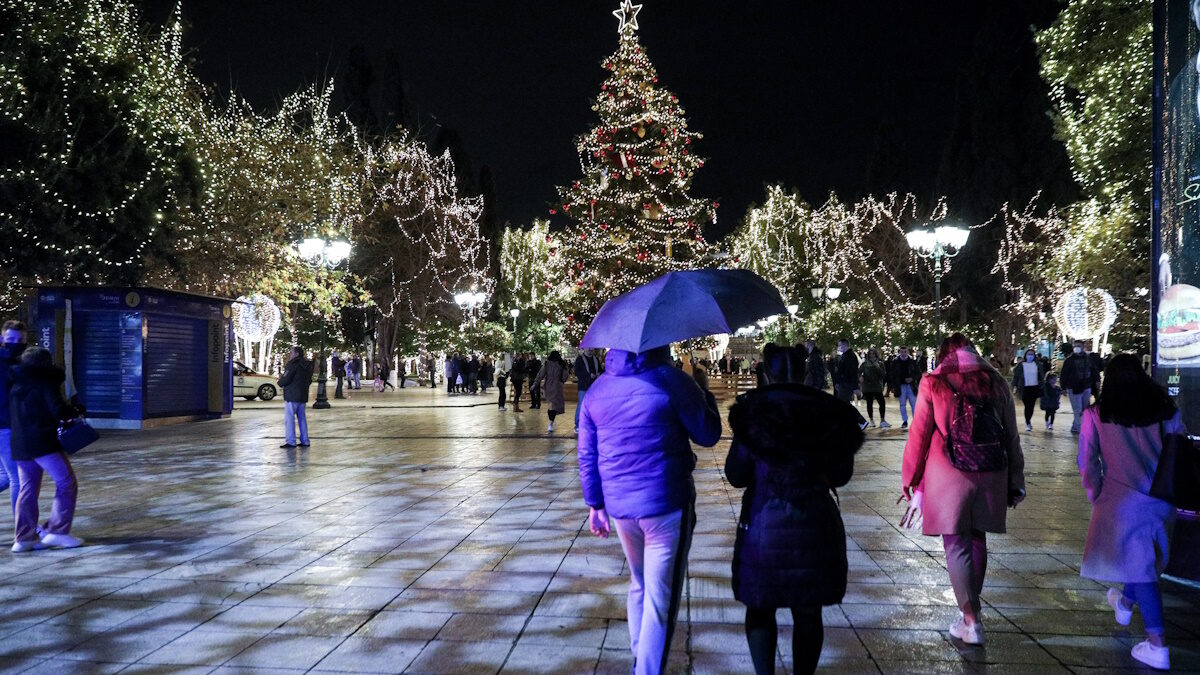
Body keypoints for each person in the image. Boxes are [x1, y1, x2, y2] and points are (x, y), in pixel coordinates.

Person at [578, 346, 722, 675]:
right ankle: (646, 669)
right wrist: (703, 391)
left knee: (640, 583)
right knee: (660, 598)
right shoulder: (672, 380)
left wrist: (595, 504)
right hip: (665, 502)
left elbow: (586, 454)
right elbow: (708, 433)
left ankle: (639, 658)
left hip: (620, 506)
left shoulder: (598, 389)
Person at [725, 344, 865, 675]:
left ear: (767, 374)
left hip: (764, 527)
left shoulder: (753, 414)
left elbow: (736, 474)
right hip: (815, 524)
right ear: (804, 373)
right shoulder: (827, 413)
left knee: (761, 607)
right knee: (808, 611)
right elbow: (841, 474)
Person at [900, 333, 1025, 646]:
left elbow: (920, 434)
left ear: (944, 354)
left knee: (956, 544)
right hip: (992, 470)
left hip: (949, 472)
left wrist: (911, 479)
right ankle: (969, 615)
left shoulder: (935, 381)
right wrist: (1016, 480)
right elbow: (1011, 435)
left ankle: (971, 620)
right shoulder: (996, 381)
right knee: (977, 539)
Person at [1077, 354, 1186, 671]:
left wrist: (1097, 494)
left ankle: (1157, 644)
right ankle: (1124, 604)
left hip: (1121, 502)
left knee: (1143, 570)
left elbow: (1087, 462)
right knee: (1144, 561)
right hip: (1162, 500)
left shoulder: (1097, 414)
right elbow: (1179, 449)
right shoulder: (1166, 411)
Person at [9, 347, 85, 551]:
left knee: (27, 488)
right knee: (66, 483)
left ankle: (24, 538)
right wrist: (75, 411)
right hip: (42, 443)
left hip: (20, 444)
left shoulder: (16, 383)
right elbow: (58, 410)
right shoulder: (45, 382)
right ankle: (58, 532)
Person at [0, 320, 26, 514]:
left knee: (5, 477)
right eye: (11, 339)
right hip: (4, 426)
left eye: (20, 340)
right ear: (2, 338)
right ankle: (23, 526)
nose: (15, 343)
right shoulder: (6, 364)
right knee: (17, 478)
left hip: (7, 425)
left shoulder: (15, 363)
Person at [277, 347, 313, 449]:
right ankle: (305, 440)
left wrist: (280, 382)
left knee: (289, 418)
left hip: (292, 395)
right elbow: (309, 380)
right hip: (303, 394)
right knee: (302, 418)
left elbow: (286, 378)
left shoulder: (293, 364)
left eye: (291, 352)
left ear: (297, 354)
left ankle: (291, 441)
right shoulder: (307, 365)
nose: (290, 354)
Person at [1061, 340, 1094, 434]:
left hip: (1086, 386)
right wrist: (1063, 387)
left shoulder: (1088, 359)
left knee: (1085, 409)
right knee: (1077, 409)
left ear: (1083, 347)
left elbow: (1093, 371)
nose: (1076, 348)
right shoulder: (1069, 360)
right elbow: (1064, 374)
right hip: (1074, 387)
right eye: (1075, 346)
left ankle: (1075, 426)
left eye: (1078, 346)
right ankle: (1081, 428)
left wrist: (1095, 382)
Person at [533, 351, 570, 433]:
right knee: (555, 405)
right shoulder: (561, 364)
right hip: (558, 387)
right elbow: (564, 377)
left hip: (548, 387)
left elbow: (540, 374)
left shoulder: (547, 363)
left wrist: (535, 384)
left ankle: (551, 422)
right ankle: (551, 422)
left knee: (551, 405)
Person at [1011, 349, 1045, 432]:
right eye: (1028, 354)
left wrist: (1042, 386)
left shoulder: (1038, 365)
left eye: (1032, 354)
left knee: (1031, 406)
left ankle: (1028, 421)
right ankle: (1028, 422)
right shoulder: (1021, 365)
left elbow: (1041, 376)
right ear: (1025, 355)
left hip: (1034, 388)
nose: (1030, 356)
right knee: (1027, 406)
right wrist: (1013, 386)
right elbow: (1016, 377)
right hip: (1024, 388)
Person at [889, 345, 921, 430]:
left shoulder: (912, 361)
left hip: (911, 385)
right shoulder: (896, 362)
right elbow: (892, 374)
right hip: (901, 385)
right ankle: (905, 420)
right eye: (902, 352)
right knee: (902, 404)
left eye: (905, 352)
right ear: (900, 352)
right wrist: (893, 386)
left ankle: (915, 421)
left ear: (908, 352)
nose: (903, 353)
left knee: (914, 404)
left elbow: (918, 373)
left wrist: (912, 378)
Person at [859, 348, 890, 429]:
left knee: (882, 403)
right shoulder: (865, 364)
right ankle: (871, 419)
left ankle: (882, 420)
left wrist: (878, 368)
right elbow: (859, 372)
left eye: (873, 353)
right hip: (867, 386)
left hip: (877, 386)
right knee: (869, 403)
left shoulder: (880, 363)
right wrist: (860, 377)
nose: (871, 355)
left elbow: (883, 375)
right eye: (870, 353)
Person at [575, 348, 603, 429]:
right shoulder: (580, 359)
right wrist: (589, 375)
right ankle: (577, 425)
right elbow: (577, 372)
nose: (591, 349)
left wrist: (599, 373)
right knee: (581, 405)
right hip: (583, 386)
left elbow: (600, 370)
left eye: (592, 348)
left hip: (594, 387)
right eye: (589, 347)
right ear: (585, 348)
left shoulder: (595, 359)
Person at [832, 339, 859, 404]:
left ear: (844, 345)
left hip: (846, 384)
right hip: (844, 383)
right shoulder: (845, 356)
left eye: (839, 345)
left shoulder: (850, 356)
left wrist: (855, 386)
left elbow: (853, 372)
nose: (838, 347)